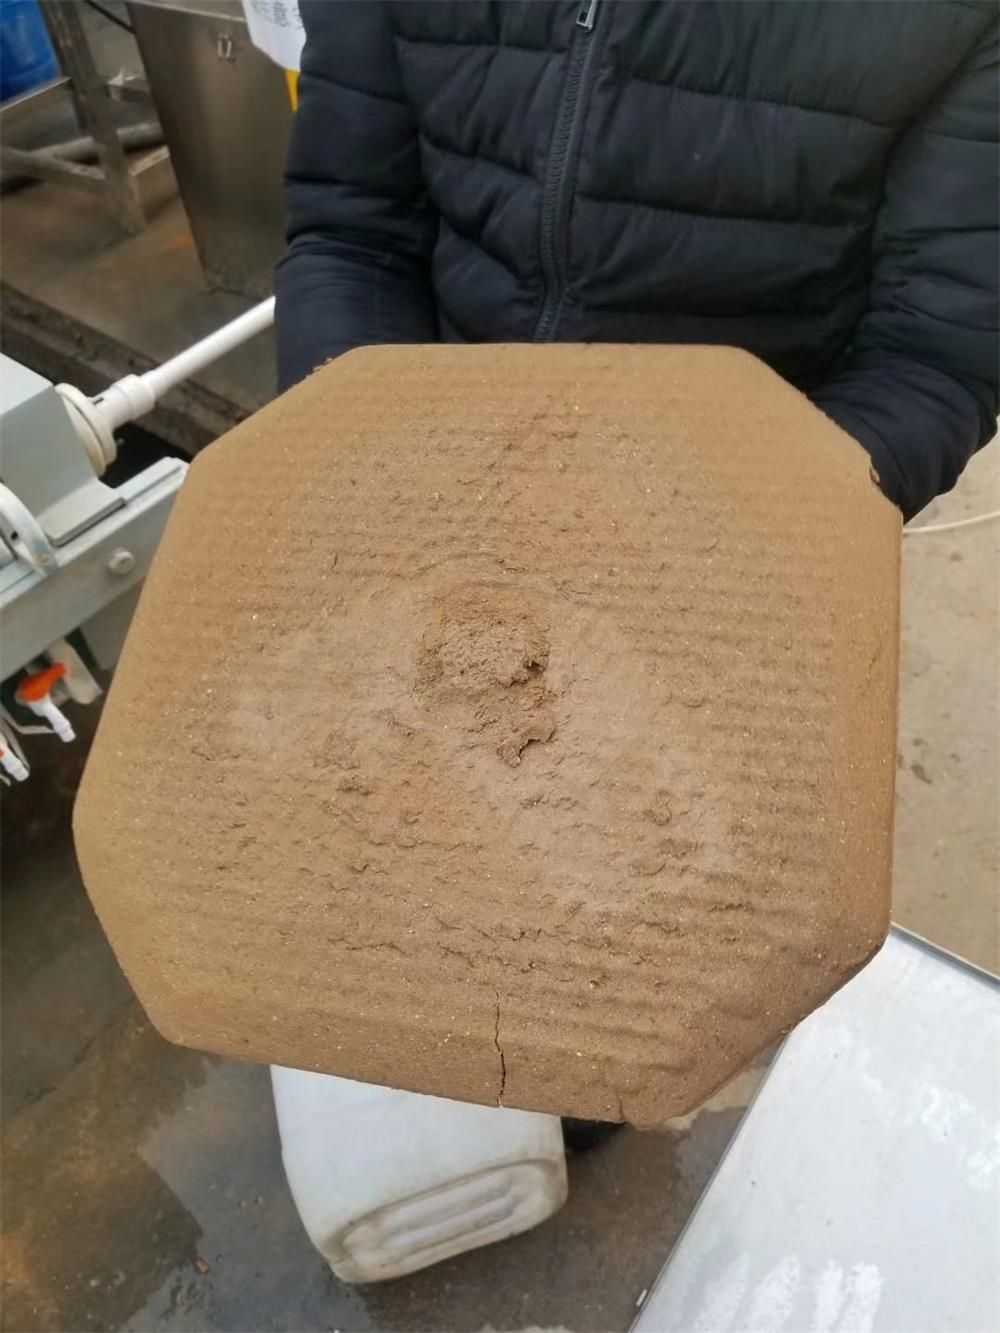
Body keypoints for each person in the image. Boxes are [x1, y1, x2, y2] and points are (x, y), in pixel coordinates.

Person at [276, 0, 998, 522]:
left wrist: (752, 537)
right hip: (435, 483)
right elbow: (353, 236)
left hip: (751, 525)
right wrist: (376, 471)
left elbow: (935, 351)